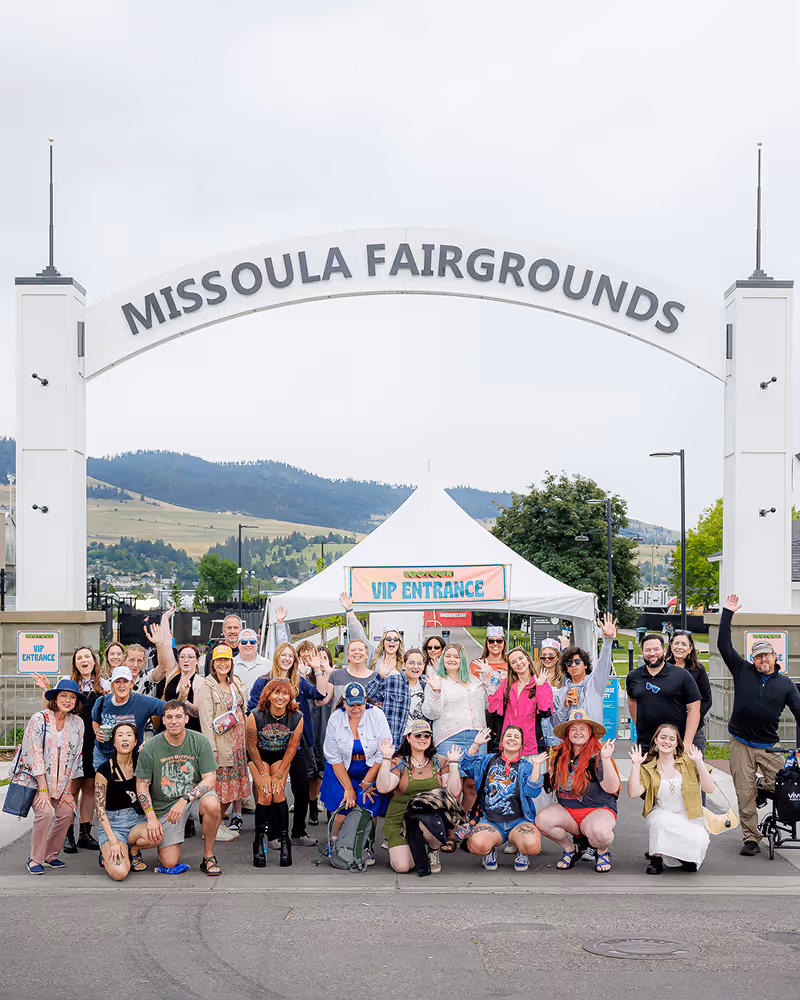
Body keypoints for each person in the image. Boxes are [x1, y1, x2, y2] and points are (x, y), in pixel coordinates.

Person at [718, 593, 800, 855]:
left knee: (787, 781)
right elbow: (723, 646)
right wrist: (727, 613)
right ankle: (751, 837)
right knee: (743, 792)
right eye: (758, 657)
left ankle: (761, 790)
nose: (762, 660)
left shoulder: (785, 684)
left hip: (769, 745)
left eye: (767, 656)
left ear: (775, 657)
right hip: (741, 741)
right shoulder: (742, 670)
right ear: (752, 659)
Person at [248, 640, 326, 847]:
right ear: (276, 657)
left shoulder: (300, 681)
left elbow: (320, 695)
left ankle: (298, 832)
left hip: (298, 743)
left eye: (291, 656)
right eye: (283, 654)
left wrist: (318, 669)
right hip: (271, 745)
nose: (287, 659)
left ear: (295, 660)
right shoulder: (262, 681)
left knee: (301, 789)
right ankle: (272, 833)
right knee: (274, 791)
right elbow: (251, 710)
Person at [133, 699, 222, 875]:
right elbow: (142, 786)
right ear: (163, 720)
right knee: (169, 862)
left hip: (191, 799)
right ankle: (143, 849)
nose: (174, 721)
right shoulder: (151, 747)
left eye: (179, 716)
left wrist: (185, 799)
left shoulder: (200, 741)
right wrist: (151, 816)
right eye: (169, 717)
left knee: (212, 804)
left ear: (186, 719)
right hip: (165, 806)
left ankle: (208, 857)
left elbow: (210, 779)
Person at [535, 709, 620, 873]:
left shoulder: (598, 755)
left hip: (597, 809)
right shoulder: (559, 754)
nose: (578, 732)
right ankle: (570, 849)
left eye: (583, 729)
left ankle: (601, 852)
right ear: (567, 733)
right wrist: (536, 768)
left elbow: (612, 788)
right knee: (542, 820)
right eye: (573, 729)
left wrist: (607, 759)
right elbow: (550, 785)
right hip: (569, 810)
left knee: (602, 835)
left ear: (590, 733)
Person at [377, 720, 463, 875]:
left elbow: (454, 791)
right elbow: (384, 788)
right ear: (408, 738)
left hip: (428, 816)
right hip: (399, 819)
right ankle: (410, 846)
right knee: (402, 867)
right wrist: (386, 759)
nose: (423, 738)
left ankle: (433, 849)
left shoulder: (439, 761)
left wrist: (454, 764)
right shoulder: (400, 762)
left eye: (427, 735)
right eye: (417, 735)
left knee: (434, 818)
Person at [627, 723, 715, 874]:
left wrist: (699, 761)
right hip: (663, 811)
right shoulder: (648, 767)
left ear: (676, 743)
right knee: (660, 824)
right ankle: (656, 857)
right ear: (655, 740)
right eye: (663, 737)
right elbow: (634, 793)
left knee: (698, 840)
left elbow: (709, 788)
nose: (666, 741)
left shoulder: (688, 762)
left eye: (671, 739)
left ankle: (683, 856)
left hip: (688, 814)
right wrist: (635, 766)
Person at [19, 678, 85, 875]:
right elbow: (34, 753)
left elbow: (76, 758)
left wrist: (68, 791)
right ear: (54, 699)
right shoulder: (39, 719)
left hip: (62, 783)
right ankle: (35, 859)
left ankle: (50, 854)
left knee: (67, 813)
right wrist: (43, 789)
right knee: (45, 812)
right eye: (63, 695)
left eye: (72, 697)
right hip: (36, 780)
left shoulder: (78, 723)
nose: (67, 700)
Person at [461, 725, 547, 872]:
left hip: (518, 821)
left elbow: (533, 792)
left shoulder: (525, 766)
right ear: (502, 741)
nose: (512, 739)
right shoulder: (488, 760)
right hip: (491, 821)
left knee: (532, 846)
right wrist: (476, 745)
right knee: (476, 845)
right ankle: (489, 851)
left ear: (521, 744)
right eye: (508, 735)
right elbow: (466, 765)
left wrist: (537, 766)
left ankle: (522, 851)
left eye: (516, 736)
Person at [423, 642, 492, 812]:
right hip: (449, 737)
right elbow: (430, 713)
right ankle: (451, 831)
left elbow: (492, 704)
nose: (452, 659)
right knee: (452, 788)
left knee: (472, 787)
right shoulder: (437, 681)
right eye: (448, 656)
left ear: (462, 659)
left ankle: (465, 828)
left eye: (456, 656)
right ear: (442, 659)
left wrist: (489, 677)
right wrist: (435, 691)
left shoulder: (476, 681)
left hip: (477, 738)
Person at [321, 682, 391, 847]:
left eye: (359, 704)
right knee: (343, 806)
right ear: (344, 702)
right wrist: (348, 788)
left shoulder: (377, 715)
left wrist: (367, 782)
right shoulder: (335, 718)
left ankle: (367, 844)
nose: (355, 708)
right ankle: (336, 843)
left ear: (365, 700)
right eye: (351, 704)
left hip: (369, 768)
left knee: (368, 807)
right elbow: (333, 756)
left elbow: (383, 751)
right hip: (340, 769)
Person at [245, 679, 304, 867]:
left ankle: (285, 840)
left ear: (290, 697)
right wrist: (264, 773)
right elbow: (251, 747)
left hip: (281, 756)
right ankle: (259, 840)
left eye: (285, 694)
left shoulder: (297, 717)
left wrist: (278, 775)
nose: (280, 697)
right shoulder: (255, 715)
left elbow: (292, 748)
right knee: (265, 793)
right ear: (268, 695)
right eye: (276, 693)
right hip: (258, 756)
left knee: (277, 792)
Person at [198, 644, 249, 840]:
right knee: (221, 789)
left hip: (238, 745)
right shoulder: (207, 686)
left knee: (234, 787)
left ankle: (218, 823)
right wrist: (211, 748)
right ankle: (212, 826)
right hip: (221, 745)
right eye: (219, 660)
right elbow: (205, 720)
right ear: (212, 663)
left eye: (226, 660)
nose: (222, 664)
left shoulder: (234, 682)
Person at [626, 633, 701, 752]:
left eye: (656, 649)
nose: (652, 654)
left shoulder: (682, 675)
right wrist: (640, 726)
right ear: (641, 652)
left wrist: (687, 742)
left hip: (674, 744)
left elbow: (694, 708)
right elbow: (631, 701)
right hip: (646, 745)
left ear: (664, 650)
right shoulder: (633, 677)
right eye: (647, 650)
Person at [95, 723, 150, 879]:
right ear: (113, 742)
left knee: (156, 834)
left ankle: (133, 851)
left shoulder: (142, 765)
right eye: (120, 735)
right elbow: (100, 810)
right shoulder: (104, 770)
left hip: (137, 821)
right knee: (119, 873)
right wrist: (112, 841)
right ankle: (107, 853)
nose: (124, 738)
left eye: (129, 735)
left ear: (135, 741)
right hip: (114, 824)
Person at [91, 666, 167, 770]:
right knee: (104, 785)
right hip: (103, 755)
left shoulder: (143, 702)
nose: (121, 685)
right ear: (112, 684)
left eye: (125, 681)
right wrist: (97, 731)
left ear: (131, 684)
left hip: (131, 758)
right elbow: (95, 721)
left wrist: (156, 738)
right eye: (117, 681)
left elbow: (169, 709)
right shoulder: (102, 702)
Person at [552, 614, 618, 729]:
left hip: (593, 741)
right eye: (569, 663)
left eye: (577, 662)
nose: (573, 665)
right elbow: (555, 724)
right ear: (566, 668)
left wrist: (608, 639)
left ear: (585, 664)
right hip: (571, 742)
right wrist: (564, 707)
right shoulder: (562, 692)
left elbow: (604, 663)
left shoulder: (595, 683)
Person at [487, 646, 553, 757]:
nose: (518, 663)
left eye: (521, 658)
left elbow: (545, 711)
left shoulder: (541, 683)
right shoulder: (506, 684)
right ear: (511, 667)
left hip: (532, 747)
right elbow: (494, 711)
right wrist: (493, 688)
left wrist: (540, 686)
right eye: (513, 662)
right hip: (509, 745)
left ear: (528, 660)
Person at [366, 647, 430, 747]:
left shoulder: (427, 684)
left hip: (420, 741)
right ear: (404, 665)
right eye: (411, 663)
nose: (416, 667)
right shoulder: (392, 680)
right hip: (396, 740)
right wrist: (381, 676)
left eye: (420, 663)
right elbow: (367, 697)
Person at [666, 631, 712, 753]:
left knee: (694, 767)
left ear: (690, 648)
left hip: (694, 731)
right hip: (667, 729)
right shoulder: (663, 668)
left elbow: (707, 700)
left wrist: (694, 718)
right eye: (676, 643)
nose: (679, 647)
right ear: (670, 646)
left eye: (684, 644)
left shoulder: (698, 670)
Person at [534, 640, 564, 748]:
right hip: (539, 721)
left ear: (558, 657)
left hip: (557, 721)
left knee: (557, 754)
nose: (547, 659)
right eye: (544, 656)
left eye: (551, 656)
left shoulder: (564, 678)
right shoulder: (535, 675)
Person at [233, 627, 270, 698]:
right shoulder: (230, 665)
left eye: (252, 642)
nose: (248, 645)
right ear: (238, 644)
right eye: (244, 642)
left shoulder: (269, 665)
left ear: (257, 644)